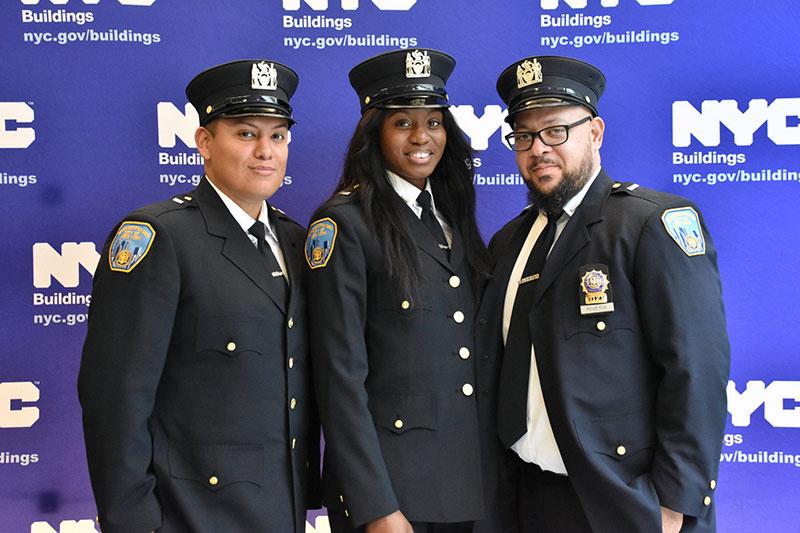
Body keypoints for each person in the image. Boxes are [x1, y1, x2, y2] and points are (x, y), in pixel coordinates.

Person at [475, 55, 731, 533]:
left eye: (555, 130)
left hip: (622, 501)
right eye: (524, 136)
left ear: (594, 132)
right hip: (524, 497)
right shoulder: (509, 240)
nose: (538, 149)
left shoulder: (650, 223)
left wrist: (674, 504)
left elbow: (696, 369)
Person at [78, 59, 319, 533]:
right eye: (246, 134)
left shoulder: (295, 239)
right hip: (189, 514)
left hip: (280, 510)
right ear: (204, 142)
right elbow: (115, 397)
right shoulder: (159, 237)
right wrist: (134, 521)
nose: (266, 151)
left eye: (278, 136)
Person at [305, 49, 514, 533]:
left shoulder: (449, 213)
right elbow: (339, 379)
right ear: (374, 133)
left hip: (472, 484)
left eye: (434, 121)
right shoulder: (343, 223)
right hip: (397, 494)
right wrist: (374, 505)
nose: (422, 137)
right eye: (403, 122)